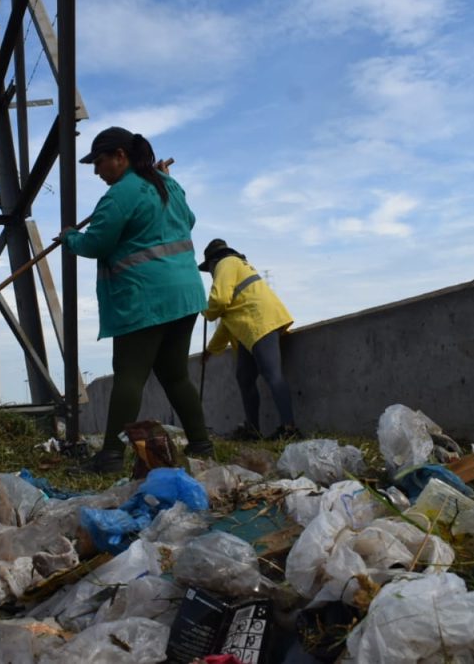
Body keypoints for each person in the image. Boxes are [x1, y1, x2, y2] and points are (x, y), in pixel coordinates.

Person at [62, 126, 212, 473]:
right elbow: (188, 220)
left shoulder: (120, 195)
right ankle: (202, 444)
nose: (96, 171)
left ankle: (111, 456)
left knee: (129, 376)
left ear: (120, 156)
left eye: (99, 162)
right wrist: (164, 180)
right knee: (175, 375)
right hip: (185, 294)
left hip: (145, 297)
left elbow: (96, 243)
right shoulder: (168, 184)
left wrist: (70, 237)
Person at [199, 239, 301, 440]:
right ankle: (252, 431)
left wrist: (206, 310)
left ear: (212, 262)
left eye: (208, 268)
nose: (210, 273)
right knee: (244, 377)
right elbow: (227, 322)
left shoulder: (225, 263)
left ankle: (290, 429)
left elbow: (220, 300)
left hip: (259, 322)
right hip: (249, 328)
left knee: (272, 374)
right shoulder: (235, 266)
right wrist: (211, 350)